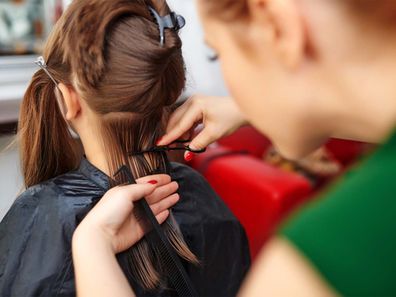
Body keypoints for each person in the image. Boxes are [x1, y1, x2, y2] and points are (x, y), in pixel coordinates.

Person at [73, 0, 396, 296]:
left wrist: (92, 246)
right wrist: (252, 109)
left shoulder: (325, 260)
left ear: (277, 26)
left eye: (217, 52)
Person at [0, 0, 250, 296]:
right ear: (166, 87)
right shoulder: (204, 199)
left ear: (68, 99)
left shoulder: (40, 220)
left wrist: (93, 242)